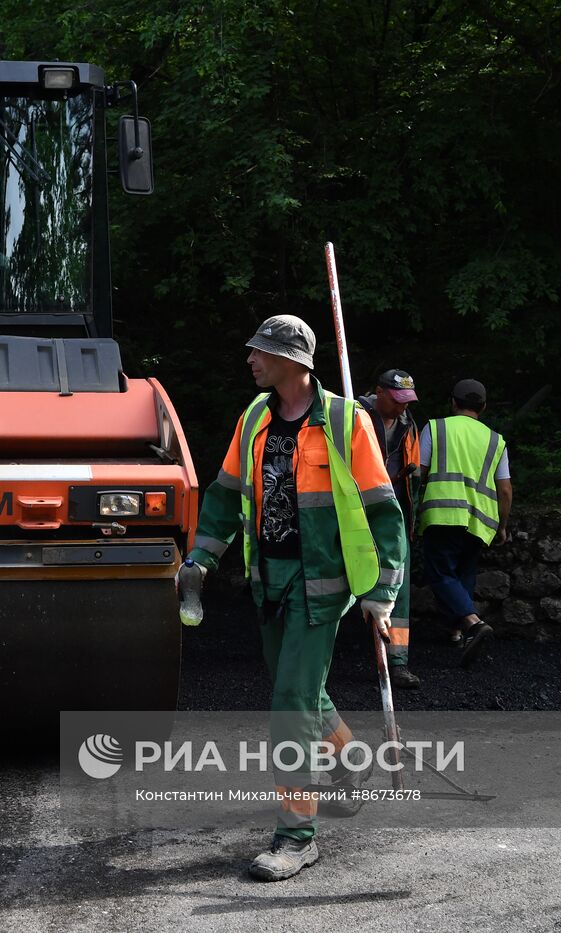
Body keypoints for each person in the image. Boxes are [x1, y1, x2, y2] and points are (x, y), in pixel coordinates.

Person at [186, 315, 407, 882]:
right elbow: (224, 493)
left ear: (294, 361)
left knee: (290, 705)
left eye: (261, 352)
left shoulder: (343, 420)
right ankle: (353, 762)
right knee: (304, 693)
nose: (251, 360)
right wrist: (202, 558)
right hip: (270, 582)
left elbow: (383, 508)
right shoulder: (255, 417)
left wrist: (382, 590)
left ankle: (297, 835)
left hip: (322, 587)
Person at [416, 378, 513, 667]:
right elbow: (505, 488)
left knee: (440, 573)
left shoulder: (436, 428)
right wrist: (502, 525)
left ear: (453, 402)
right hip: (480, 520)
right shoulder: (496, 440)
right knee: (464, 574)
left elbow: (416, 473)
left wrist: (408, 514)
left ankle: (472, 623)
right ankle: (457, 632)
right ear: (483, 407)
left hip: (443, 514)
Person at [357, 370, 422, 688]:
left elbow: (414, 479)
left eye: (406, 402)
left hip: (393, 516)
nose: (402, 408)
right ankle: (316, 660)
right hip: (354, 514)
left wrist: (409, 522)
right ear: (379, 392)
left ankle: (397, 662)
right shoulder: (353, 417)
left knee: (400, 589)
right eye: (397, 401)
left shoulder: (409, 426)